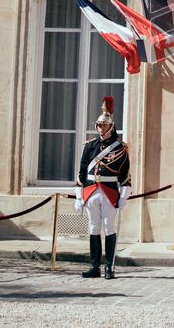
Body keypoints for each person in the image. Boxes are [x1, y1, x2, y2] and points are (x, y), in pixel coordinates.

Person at [75, 96, 131, 280]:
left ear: (111, 127)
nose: (101, 128)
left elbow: (125, 175)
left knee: (109, 228)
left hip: (109, 192)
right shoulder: (90, 146)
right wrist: (79, 196)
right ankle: (94, 266)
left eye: (104, 125)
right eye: (99, 125)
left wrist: (123, 196)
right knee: (93, 228)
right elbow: (82, 171)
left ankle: (109, 266)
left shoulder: (120, 148)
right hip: (91, 191)